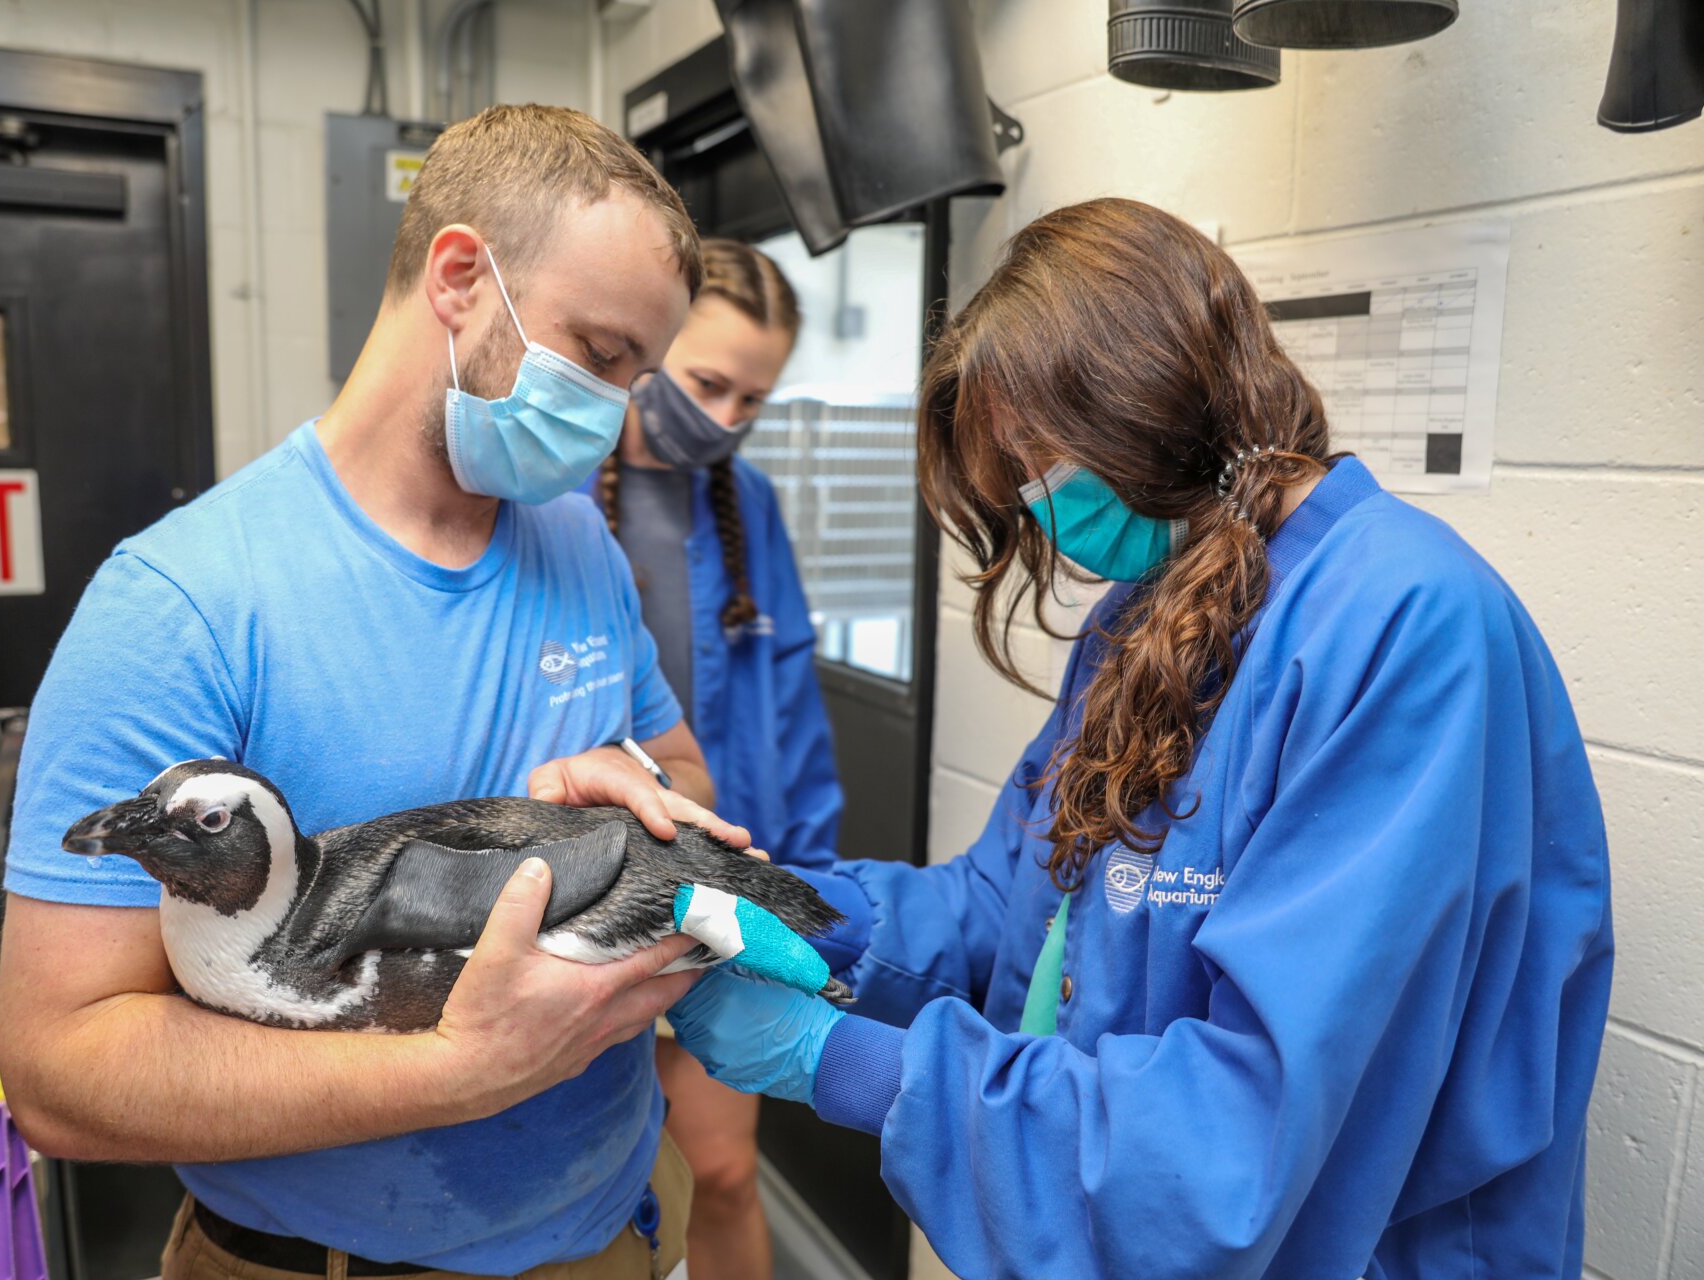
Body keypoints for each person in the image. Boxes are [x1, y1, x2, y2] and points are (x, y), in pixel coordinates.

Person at [664, 198, 1613, 1279]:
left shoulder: (1406, 626)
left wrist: (844, 1061)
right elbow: (1006, 903)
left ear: (1143, 399)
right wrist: (785, 904)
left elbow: (1240, 1131)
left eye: (1037, 460)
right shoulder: (1154, 610)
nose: (1036, 501)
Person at [0, 104, 748, 1280]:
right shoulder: (184, 604)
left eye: (636, 375)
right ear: (460, 276)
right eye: (599, 355)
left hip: (611, 1225)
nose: (612, 415)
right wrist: (456, 1067)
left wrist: (631, 789)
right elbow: (61, 1068)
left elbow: (688, 782)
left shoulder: (578, 548)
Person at [592, 239, 843, 1280]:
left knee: (725, 1173)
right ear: (650, 343)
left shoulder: (749, 512)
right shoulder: (552, 504)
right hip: (593, 897)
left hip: (719, 895)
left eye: (754, 397)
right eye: (708, 383)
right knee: (615, 1190)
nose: (728, 418)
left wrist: (805, 888)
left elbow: (794, 717)